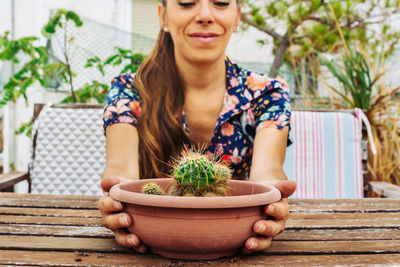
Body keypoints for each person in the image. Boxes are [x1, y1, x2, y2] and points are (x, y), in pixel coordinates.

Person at [98, 0, 297, 254]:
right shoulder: (129, 92)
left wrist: (273, 203)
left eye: (221, 3)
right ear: (164, 17)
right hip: (149, 245)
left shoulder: (267, 94)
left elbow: (267, 174)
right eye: (187, 3)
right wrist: (116, 202)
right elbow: (121, 176)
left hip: (239, 239)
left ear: (238, 17)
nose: (205, 15)